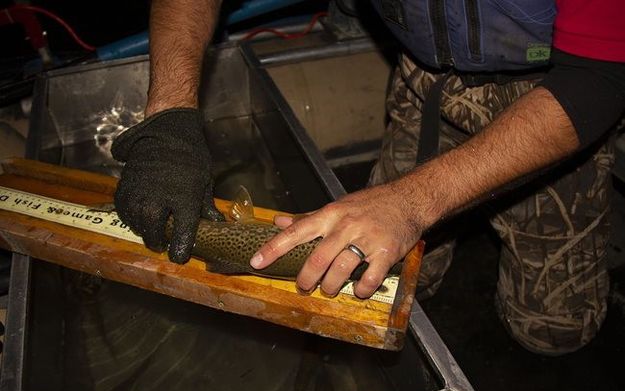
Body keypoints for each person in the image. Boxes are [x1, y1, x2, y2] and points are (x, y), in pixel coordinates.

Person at [111, 0, 625, 356]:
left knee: (552, 333)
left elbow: (603, 77)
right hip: (425, 79)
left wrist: (411, 201)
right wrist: (169, 120)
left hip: (550, 97)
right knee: (387, 286)